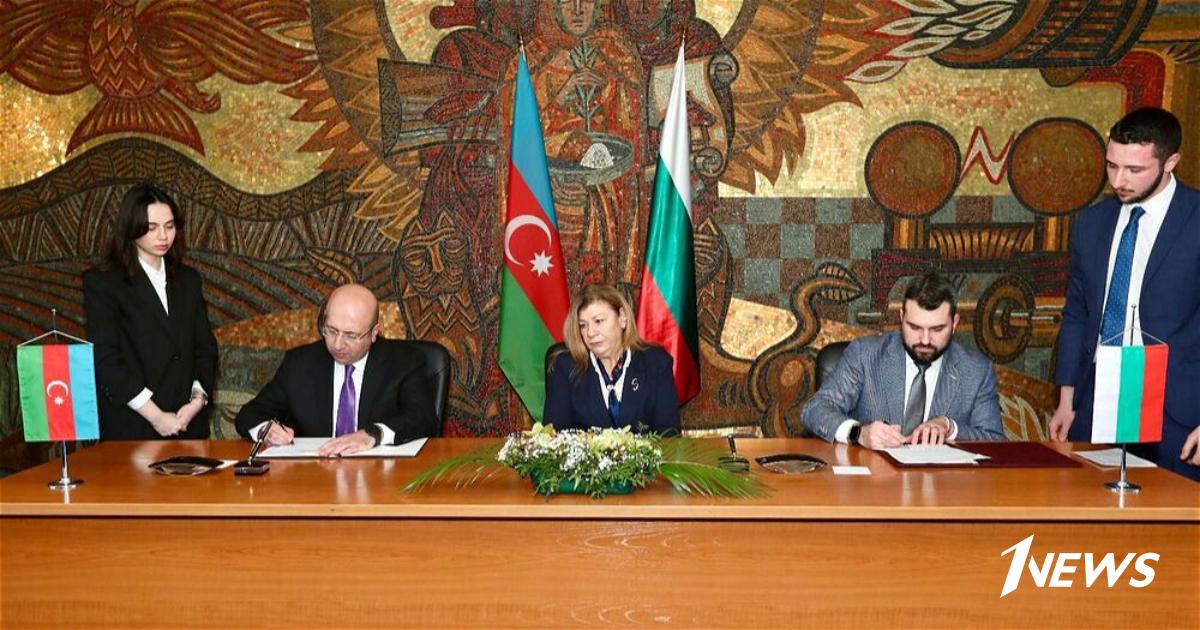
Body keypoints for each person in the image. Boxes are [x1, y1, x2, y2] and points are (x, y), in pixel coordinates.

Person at [1050, 107, 1200, 481]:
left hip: (1179, 408)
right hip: (1097, 398)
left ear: (1171, 162)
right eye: (1112, 165)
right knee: (1089, 506)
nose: (1120, 180)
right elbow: (1077, 313)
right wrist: (1067, 398)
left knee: (1171, 513)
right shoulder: (1092, 222)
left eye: (1134, 170)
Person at [802, 270, 1004, 449]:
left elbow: (995, 441)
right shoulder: (865, 355)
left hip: (939, 480)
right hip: (872, 477)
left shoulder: (976, 370)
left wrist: (950, 428)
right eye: (915, 327)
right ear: (901, 317)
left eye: (937, 329)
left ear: (955, 323)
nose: (925, 340)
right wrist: (858, 433)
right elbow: (815, 410)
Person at [235, 284, 439, 456]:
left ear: (374, 332)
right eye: (331, 331)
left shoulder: (404, 362)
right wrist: (266, 430)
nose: (338, 344)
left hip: (380, 476)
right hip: (315, 477)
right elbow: (250, 414)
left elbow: (424, 418)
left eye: (351, 335)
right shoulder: (300, 363)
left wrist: (373, 434)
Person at [83, 183, 218, 440]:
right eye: (152, 228)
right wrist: (156, 416)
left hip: (188, 425)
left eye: (169, 226)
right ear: (131, 228)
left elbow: (205, 348)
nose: (163, 236)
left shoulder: (189, 280)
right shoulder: (104, 283)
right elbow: (106, 360)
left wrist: (197, 401)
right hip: (133, 427)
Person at [543, 284, 680, 434]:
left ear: (622, 318)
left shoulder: (656, 363)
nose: (590, 333)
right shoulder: (566, 367)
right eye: (583, 325)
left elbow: (669, 435)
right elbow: (553, 438)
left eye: (598, 321)